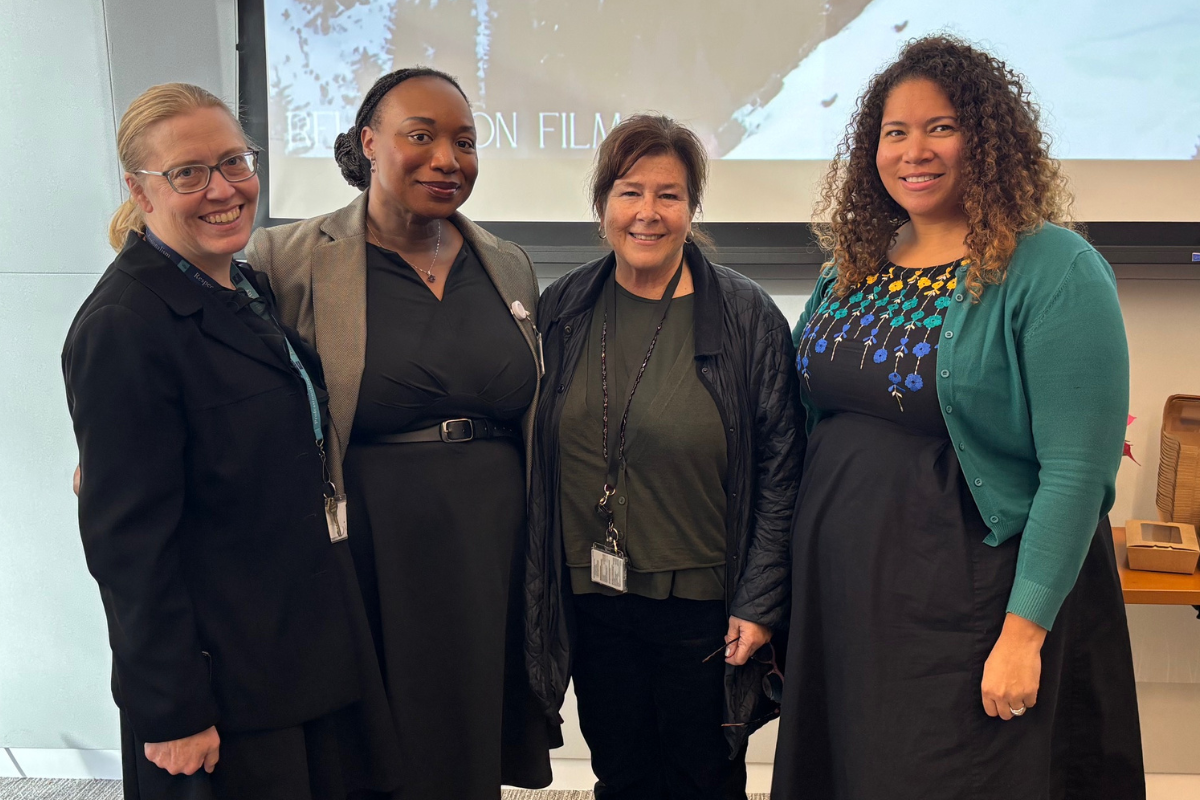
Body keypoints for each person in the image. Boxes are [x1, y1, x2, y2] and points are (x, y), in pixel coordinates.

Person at [770, 36, 1145, 799]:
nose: (915, 150)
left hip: (968, 607)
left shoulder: (1055, 268)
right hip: (847, 596)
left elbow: (1077, 473)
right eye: (894, 132)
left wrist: (1024, 631)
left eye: (940, 127)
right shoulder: (853, 265)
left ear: (988, 137)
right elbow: (811, 422)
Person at [63, 83, 401, 800]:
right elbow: (128, 547)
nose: (222, 189)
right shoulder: (124, 326)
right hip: (222, 689)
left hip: (295, 651)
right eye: (188, 172)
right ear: (139, 189)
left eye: (234, 163)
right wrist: (172, 710)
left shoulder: (242, 287)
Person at [246, 67, 553, 800]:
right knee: (378, 749)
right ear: (369, 144)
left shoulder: (506, 262)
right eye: (422, 136)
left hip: (493, 543)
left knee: (472, 728)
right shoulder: (286, 260)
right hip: (375, 544)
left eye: (466, 142)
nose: (448, 158)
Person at [525, 114, 803, 799]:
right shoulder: (563, 308)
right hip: (593, 598)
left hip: (705, 607)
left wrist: (761, 598)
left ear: (692, 208)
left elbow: (780, 468)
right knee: (620, 774)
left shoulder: (747, 316)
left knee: (702, 777)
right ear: (601, 205)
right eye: (628, 191)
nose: (647, 213)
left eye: (669, 194)